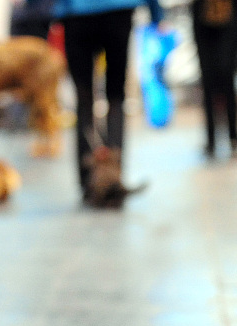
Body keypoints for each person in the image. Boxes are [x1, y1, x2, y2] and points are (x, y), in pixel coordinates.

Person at [55, 0, 163, 204]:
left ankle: (89, 182)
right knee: (115, 97)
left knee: (85, 99)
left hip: (77, 13)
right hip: (117, 10)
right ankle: (113, 179)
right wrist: (156, 12)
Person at [190, 0, 237, 159]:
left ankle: (234, 136)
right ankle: (211, 139)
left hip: (229, 16)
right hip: (203, 18)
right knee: (207, 80)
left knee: (227, 76)